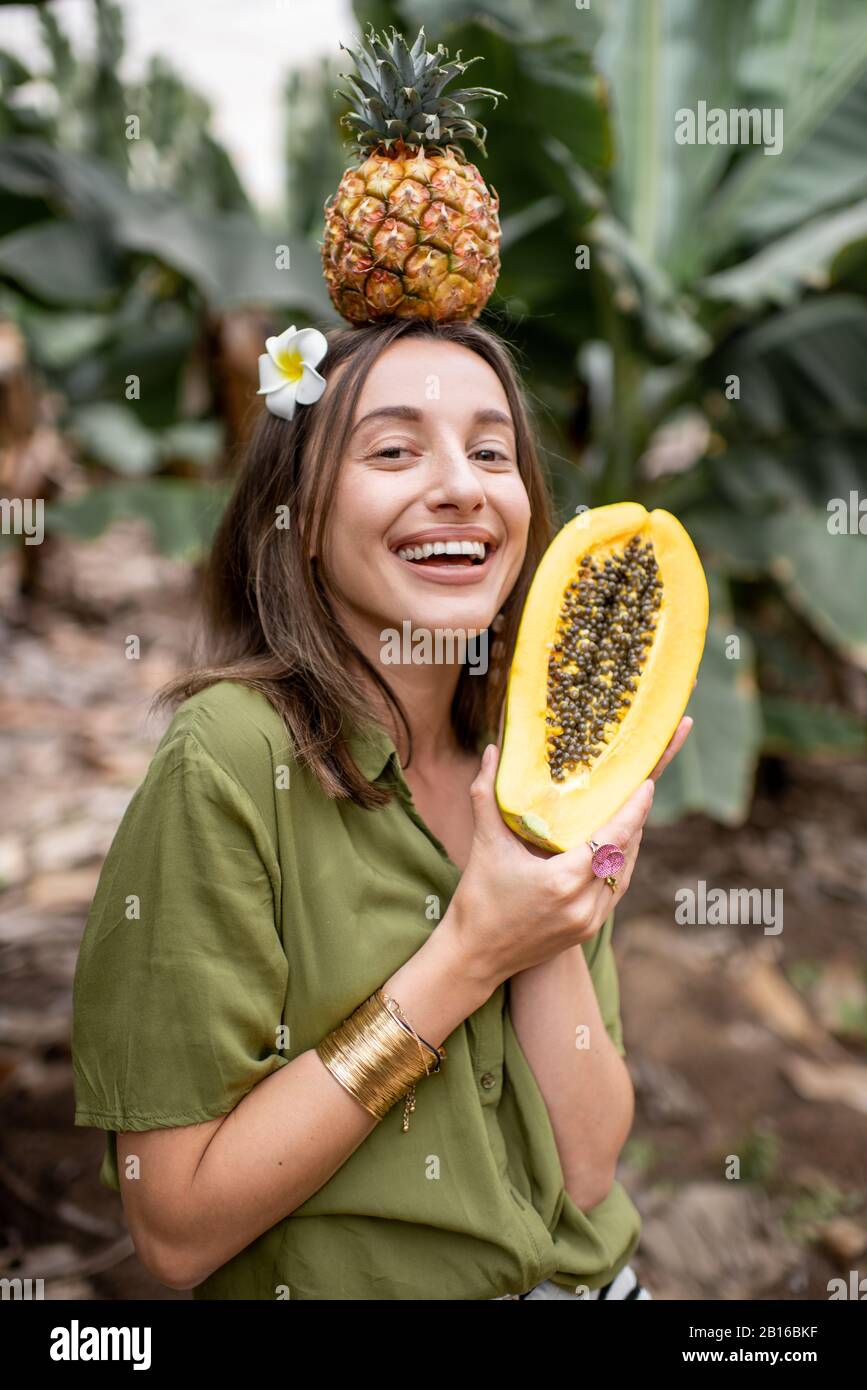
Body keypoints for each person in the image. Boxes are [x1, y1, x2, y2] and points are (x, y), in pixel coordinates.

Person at [72, 315, 692, 1300]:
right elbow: (176, 1226)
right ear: (302, 520)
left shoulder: (523, 756)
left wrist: (549, 894)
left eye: (493, 451)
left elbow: (586, 1167)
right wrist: (470, 952)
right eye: (394, 449)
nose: (462, 485)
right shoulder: (230, 760)